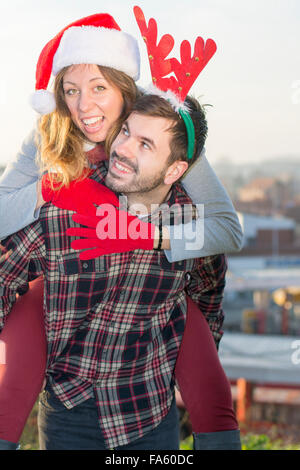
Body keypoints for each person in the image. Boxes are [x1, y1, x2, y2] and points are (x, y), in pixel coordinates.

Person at [0, 10, 242, 449]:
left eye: (99, 88)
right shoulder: (50, 137)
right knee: (20, 355)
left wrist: (147, 235)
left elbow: (223, 238)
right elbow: (7, 243)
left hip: (144, 400)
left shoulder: (164, 125)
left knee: (199, 354)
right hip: (64, 351)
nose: (83, 107)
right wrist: (51, 190)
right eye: (71, 91)